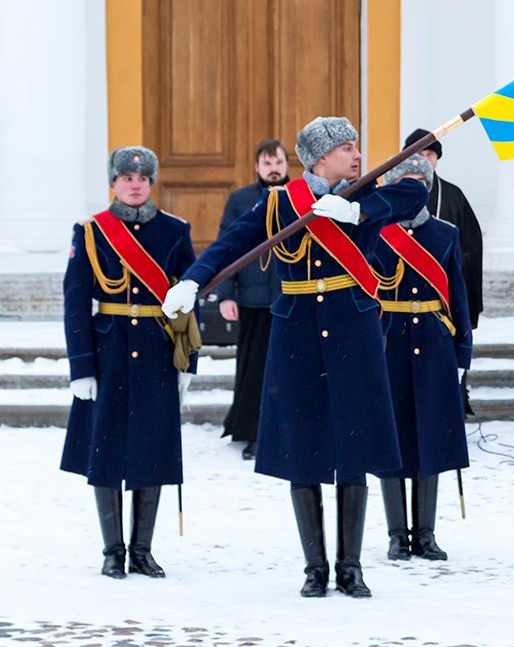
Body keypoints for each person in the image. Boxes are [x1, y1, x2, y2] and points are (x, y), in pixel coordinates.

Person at [165, 117, 428, 598]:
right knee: (303, 450)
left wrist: (357, 213)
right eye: (347, 148)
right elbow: (230, 244)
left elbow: (414, 193)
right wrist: (192, 280)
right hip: (297, 332)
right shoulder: (280, 203)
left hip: (352, 326)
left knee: (352, 448)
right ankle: (315, 568)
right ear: (320, 157)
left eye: (356, 146)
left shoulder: (366, 193)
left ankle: (350, 567)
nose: (356, 154)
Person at [62, 147, 197, 580]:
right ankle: (111, 549)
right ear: (113, 183)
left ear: (152, 182)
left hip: (157, 353)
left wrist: (186, 365)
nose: (134, 183)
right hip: (108, 353)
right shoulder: (89, 232)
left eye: (142, 177)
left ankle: (142, 550)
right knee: (106, 451)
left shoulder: (175, 231)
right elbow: (76, 301)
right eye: (125, 177)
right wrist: (81, 366)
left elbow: (188, 303)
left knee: (151, 449)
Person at [370, 156, 473, 561]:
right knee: (392, 439)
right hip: (389, 341)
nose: (414, 190)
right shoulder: (378, 234)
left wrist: (463, 350)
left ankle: (425, 533)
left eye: (420, 182)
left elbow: (459, 296)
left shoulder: (445, 233)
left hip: (433, 342)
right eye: (405, 182)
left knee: (430, 436)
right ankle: (397, 533)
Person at [217, 139, 289, 460]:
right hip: (252, 299)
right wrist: (225, 294)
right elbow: (227, 247)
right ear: (257, 168)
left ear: (287, 166)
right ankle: (253, 432)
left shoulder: (299, 197)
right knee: (254, 369)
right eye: (267, 163)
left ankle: (287, 429)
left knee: (290, 368)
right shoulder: (240, 200)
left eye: (279, 163)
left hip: (291, 298)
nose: (273, 169)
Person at [402, 129, 483, 326]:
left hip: (443, 288)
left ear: (437, 158)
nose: (424, 159)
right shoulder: (394, 192)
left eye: (430, 154)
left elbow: (471, 247)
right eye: (419, 154)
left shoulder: (453, 195)